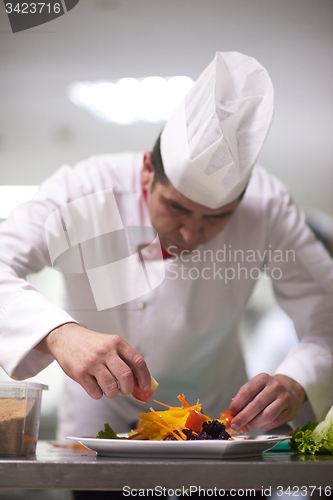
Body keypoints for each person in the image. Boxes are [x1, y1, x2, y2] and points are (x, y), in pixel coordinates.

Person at [0, 52, 333, 444]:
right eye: (176, 207)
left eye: (217, 217)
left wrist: (297, 380)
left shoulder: (268, 206)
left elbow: (325, 316)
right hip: (98, 415)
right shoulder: (85, 190)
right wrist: (59, 333)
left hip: (218, 420)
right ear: (147, 171)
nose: (191, 234)